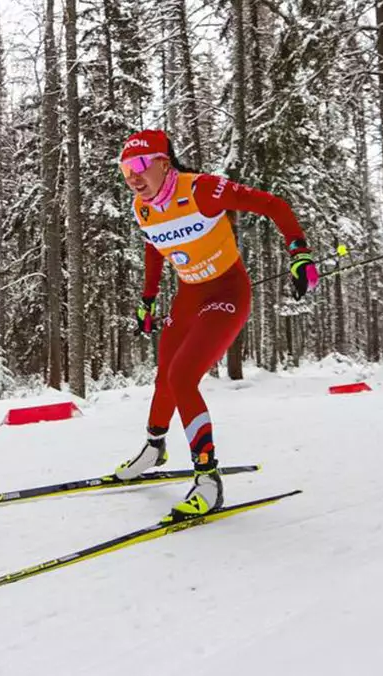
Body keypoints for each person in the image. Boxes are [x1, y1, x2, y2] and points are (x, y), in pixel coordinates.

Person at [112, 129, 319, 521]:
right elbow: (154, 246)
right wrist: (147, 300)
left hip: (227, 292)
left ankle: (208, 481)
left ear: (163, 162)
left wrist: (299, 253)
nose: (133, 176)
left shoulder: (203, 190)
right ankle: (155, 447)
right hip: (189, 295)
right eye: (125, 169)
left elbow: (274, 205)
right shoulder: (142, 207)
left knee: (184, 376)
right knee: (164, 379)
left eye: (140, 165)